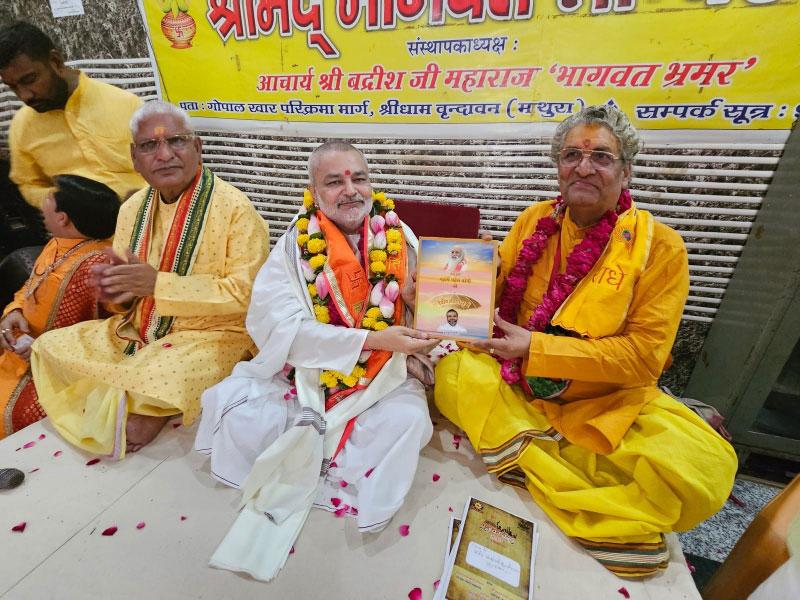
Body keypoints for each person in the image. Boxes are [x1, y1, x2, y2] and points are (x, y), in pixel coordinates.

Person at [434, 105, 737, 577]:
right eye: (572, 154)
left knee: (703, 467)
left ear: (625, 169)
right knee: (453, 371)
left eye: (601, 157)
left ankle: (531, 452)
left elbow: (642, 361)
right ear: (559, 166)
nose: (584, 166)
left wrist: (538, 348)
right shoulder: (534, 219)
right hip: (518, 381)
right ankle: (561, 465)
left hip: (603, 400)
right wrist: (462, 276)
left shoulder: (661, 248)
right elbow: (499, 300)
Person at [195, 141, 437, 581]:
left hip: (388, 370)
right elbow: (276, 326)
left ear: (371, 182)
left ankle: (332, 465)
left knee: (408, 422)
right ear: (313, 190)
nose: (350, 190)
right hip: (311, 372)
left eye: (358, 178)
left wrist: (417, 305)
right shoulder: (294, 245)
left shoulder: (400, 236)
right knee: (234, 407)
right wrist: (370, 337)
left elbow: (429, 313)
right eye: (334, 181)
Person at [30, 100, 269, 457]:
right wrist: (117, 292)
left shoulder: (236, 209)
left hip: (213, 337)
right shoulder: (132, 208)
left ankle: (139, 400)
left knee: (168, 374)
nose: (165, 154)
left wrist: (158, 284)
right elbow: (126, 302)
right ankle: (139, 399)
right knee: (48, 347)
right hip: (140, 329)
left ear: (197, 148)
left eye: (176, 141)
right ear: (135, 158)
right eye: (150, 146)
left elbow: (246, 295)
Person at [0, 175, 119, 439]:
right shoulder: (58, 243)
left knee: (13, 415)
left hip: (53, 370)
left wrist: (46, 351)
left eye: (48, 199)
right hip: (14, 352)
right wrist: (14, 311)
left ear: (63, 217)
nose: (42, 205)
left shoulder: (101, 265)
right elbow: (30, 287)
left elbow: (120, 324)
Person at [0, 21, 145, 208]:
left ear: (56, 62)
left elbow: (165, 169)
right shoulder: (23, 127)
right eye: (13, 87)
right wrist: (63, 201)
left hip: (146, 226)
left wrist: (144, 199)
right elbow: (29, 183)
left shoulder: (127, 106)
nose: (24, 96)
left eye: (29, 80)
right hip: (76, 235)